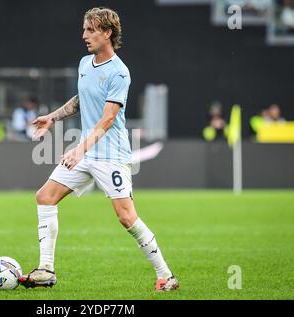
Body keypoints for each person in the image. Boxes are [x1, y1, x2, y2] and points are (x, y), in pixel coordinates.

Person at [18, 7, 179, 292]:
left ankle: (166, 275)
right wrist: (52, 118)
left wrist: (79, 149)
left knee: (126, 217)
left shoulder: (119, 73)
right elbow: (81, 100)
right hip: (86, 152)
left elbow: (108, 118)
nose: (84, 35)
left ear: (107, 33)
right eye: (84, 29)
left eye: (90, 30)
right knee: (45, 197)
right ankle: (46, 270)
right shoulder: (84, 64)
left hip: (111, 156)